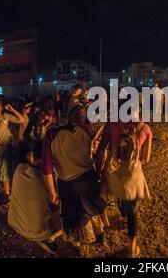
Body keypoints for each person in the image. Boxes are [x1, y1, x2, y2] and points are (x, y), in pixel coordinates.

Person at [42, 105, 106, 256]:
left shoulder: (52, 135)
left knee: (73, 218)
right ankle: (100, 235)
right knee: (92, 211)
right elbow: (95, 157)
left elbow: (46, 168)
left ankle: (78, 245)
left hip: (69, 185)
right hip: (88, 180)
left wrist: (52, 192)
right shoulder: (87, 132)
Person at [95, 114, 153, 258]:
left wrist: (99, 169)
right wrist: (132, 161)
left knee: (119, 194)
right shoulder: (145, 129)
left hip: (113, 172)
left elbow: (101, 149)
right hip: (132, 177)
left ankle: (122, 213)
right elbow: (146, 159)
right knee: (132, 208)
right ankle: (132, 246)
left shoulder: (112, 123)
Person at [8, 141, 61, 254]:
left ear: (32, 155)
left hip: (14, 223)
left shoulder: (19, 168)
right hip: (36, 232)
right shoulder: (47, 183)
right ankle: (49, 239)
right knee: (71, 216)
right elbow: (55, 208)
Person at [0, 97, 24, 202]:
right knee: (4, 172)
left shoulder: (5, 117)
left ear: (1, 109)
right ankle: (7, 195)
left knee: (12, 169)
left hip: (9, 147)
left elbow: (21, 120)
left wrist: (12, 110)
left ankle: (16, 190)